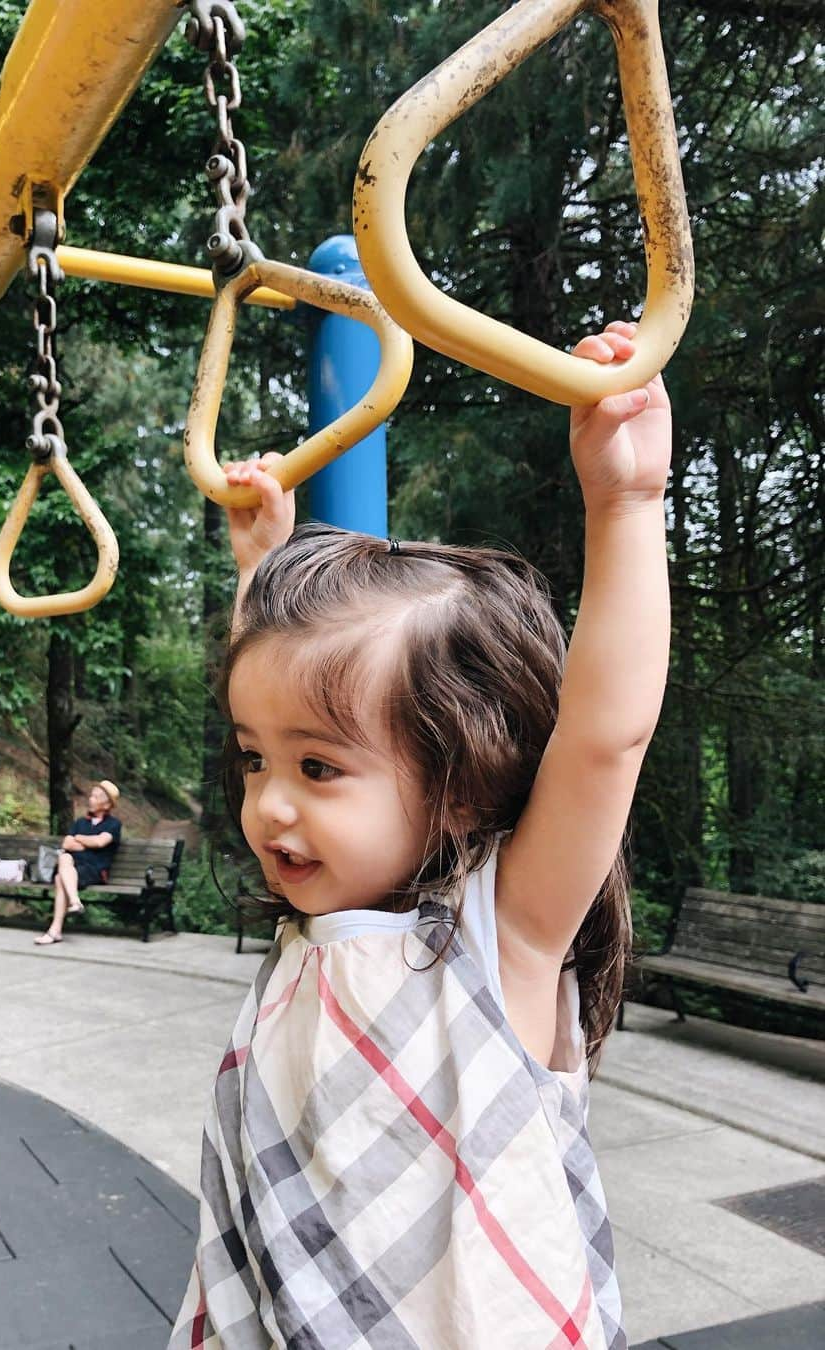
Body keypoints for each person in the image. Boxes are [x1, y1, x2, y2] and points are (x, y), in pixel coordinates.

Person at [170, 322, 669, 1349]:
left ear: (460, 785)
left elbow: (606, 740)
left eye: (318, 770)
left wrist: (626, 503)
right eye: (256, 761)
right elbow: (283, 689)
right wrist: (265, 569)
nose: (269, 804)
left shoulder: (499, 937)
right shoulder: (319, 927)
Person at [34, 780, 122, 945]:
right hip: (73, 866)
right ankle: (74, 902)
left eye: (96, 797)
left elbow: (100, 842)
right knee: (65, 857)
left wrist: (80, 839)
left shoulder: (113, 825)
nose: (90, 799)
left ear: (107, 804)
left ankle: (55, 931)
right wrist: (87, 843)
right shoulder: (81, 822)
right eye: (91, 796)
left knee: (61, 878)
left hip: (94, 870)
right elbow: (67, 844)